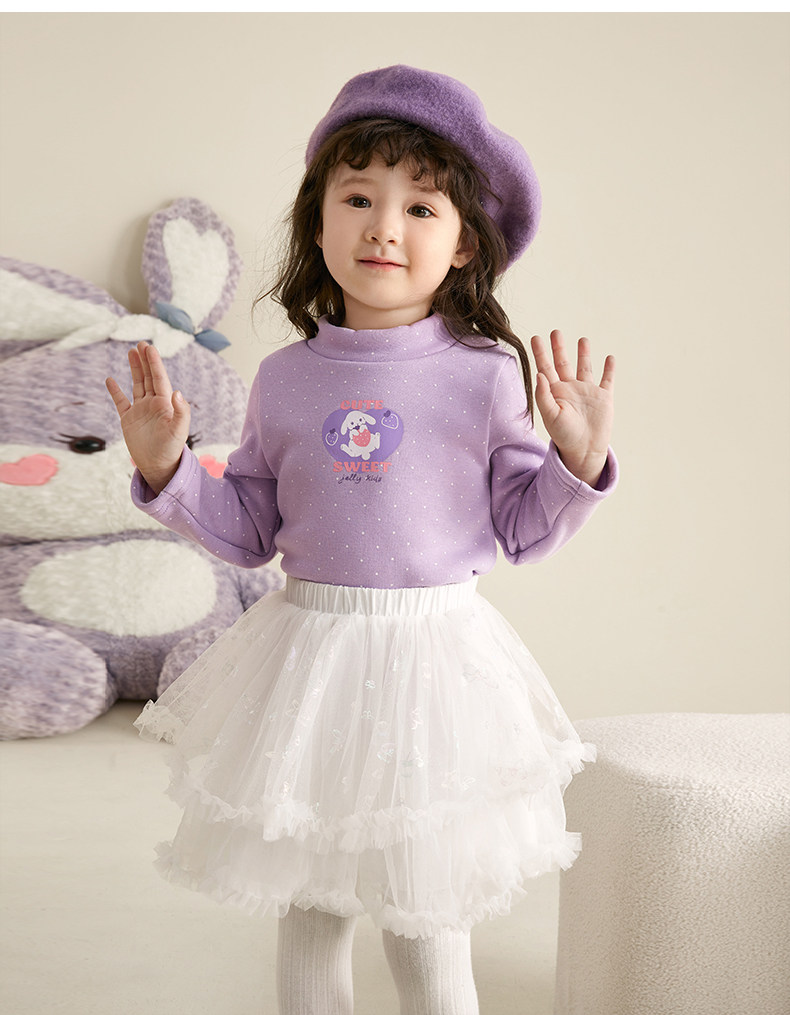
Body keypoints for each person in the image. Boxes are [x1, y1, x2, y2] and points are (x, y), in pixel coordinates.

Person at [106, 65, 617, 1015]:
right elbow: (249, 528)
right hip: (312, 667)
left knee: (425, 923)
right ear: (318, 223)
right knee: (311, 909)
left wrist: (573, 462)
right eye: (358, 198)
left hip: (435, 671)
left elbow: (522, 529)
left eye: (421, 207)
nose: (385, 226)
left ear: (464, 245)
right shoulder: (285, 378)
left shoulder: (483, 376)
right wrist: (170, 468)